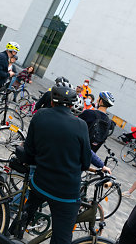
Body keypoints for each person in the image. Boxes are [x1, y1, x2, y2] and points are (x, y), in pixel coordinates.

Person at [11, 81, 91, 243]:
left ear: (52, 101)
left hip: (40, 183)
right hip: (66, 193)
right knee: (61, 237)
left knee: (28, 209)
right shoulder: (81, 125)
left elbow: (30, 150)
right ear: (71, 105)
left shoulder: (40, 115)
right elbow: (85, 162)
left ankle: (12, 233)